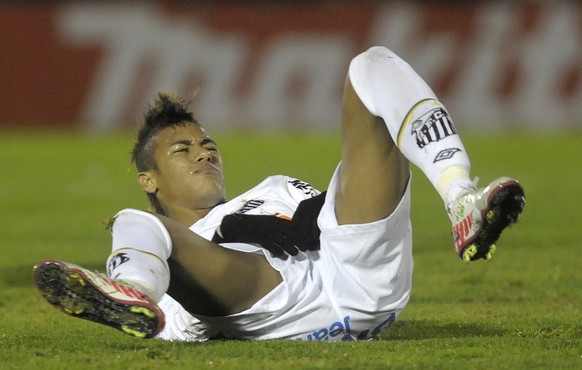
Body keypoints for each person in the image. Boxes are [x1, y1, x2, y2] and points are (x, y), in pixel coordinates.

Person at [33, 46, 525, 342]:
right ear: (150, 180)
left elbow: (327, 217)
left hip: (352, 276)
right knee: (132, 222)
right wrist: (222, 238)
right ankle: (133, 296)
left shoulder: (272, 188)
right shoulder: (179, 247)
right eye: (182, 150)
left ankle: (461, 197)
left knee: (371, 64)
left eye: (208, 145)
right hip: (264, 302)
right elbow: (194, 302)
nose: (204, 154)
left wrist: (271, 216)